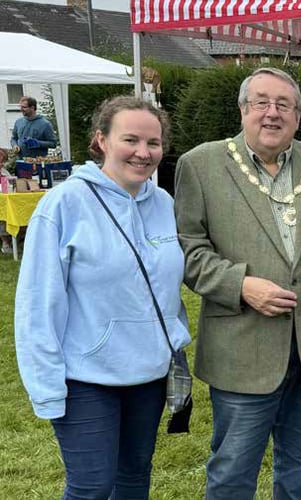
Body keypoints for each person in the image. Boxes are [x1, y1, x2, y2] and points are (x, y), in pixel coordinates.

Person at [174, 67, 301, 499]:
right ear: (243, 110)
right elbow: (188, 251)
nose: (272, 113)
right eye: (261, 102)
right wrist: (241, 285)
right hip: (243, 344)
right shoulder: (200, 165)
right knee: (233, 467)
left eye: (284, 105)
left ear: (298, 117)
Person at [14, 95, 190, 498]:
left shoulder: (163, 203)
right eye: (131, 140)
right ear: (102, 141)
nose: (143, 153)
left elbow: (164, 286)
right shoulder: (63, 205)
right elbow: (37, 305)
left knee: (134, 479)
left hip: (149, 375)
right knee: (91, 487)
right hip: (86, 379)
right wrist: (46, 387)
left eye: (154, 143)